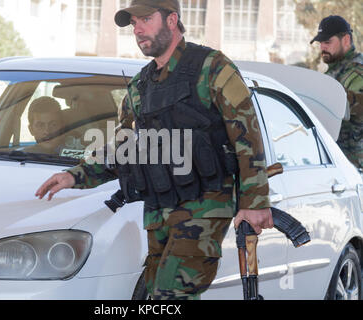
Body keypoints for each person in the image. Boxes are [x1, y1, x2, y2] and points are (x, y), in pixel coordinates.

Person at [35, 0, 273, 300]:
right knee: (154, 296)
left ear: (172, 20)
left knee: (169, 298)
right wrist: (75, 176)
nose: (137, 29)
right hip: (158, 210)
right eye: (133, 23)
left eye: (145, 19)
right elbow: (124, 150)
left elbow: (247, 135)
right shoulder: (140, 87)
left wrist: (255, 200)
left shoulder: (212, 68)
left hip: (204, 205)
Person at [310, 15, 362, 170]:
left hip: (355, 167)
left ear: (346, 40)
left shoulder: (357, 71)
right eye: (320, 43)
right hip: (338, 164)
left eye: (327, 42)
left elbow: (354, 106)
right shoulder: (336, 72)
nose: (322, 48)